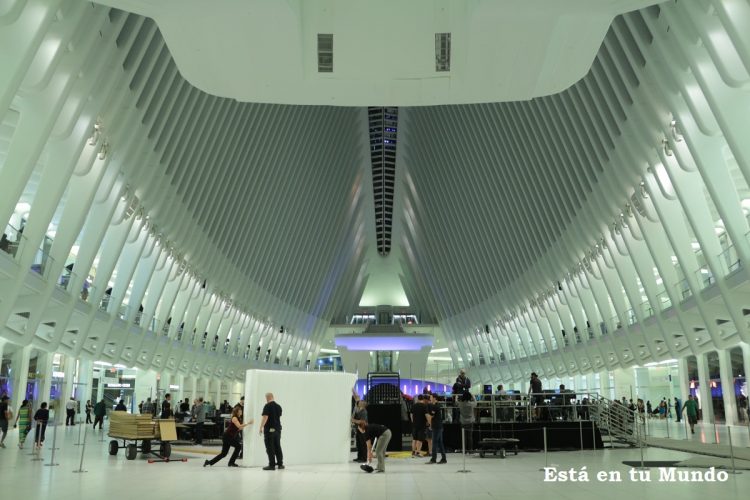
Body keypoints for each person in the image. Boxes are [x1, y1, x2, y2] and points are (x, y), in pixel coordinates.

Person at [259, 392, 283, 470]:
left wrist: (261, 427)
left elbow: (265, 417)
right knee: (277, 446)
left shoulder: (267, 406)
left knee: (269, 447)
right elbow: (278, 417)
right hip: (278, 429)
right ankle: (280, 464)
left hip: (270, 430)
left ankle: (272, 465)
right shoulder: (278, 406)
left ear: (267, 398)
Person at [426, 393, 446, 464]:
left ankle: (433, 459)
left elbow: (431, 416)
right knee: (440, 443)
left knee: (434, 443)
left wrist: (429, 420)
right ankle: (444, 458)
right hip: (439, 426)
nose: (430, 399)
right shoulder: (438, 405)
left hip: (436, 427)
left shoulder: (435, 406)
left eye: (431, 397)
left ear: (434, 398)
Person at [351, 396, 368, 463]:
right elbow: (357, 398)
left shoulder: (364, 412)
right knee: (359, 444)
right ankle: (359, 457)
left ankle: (363, 458)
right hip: (359, 429)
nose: (359, 402)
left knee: (362, 444)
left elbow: (362, 421)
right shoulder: (359, 411)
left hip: (363, 430)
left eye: (361, 402)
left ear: (363, 405)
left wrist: (353, 420)